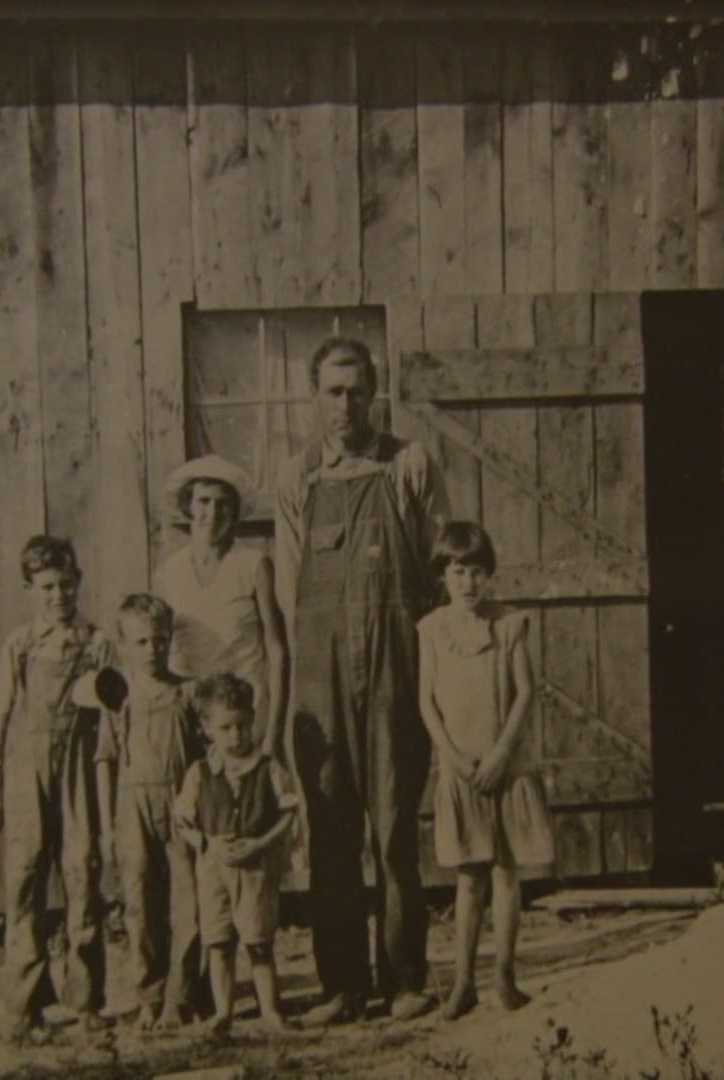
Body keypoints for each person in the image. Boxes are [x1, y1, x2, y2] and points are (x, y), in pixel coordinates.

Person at [274, 337, 446, 1025]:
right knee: (330, 828)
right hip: (321, 674)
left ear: (373, 393)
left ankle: (406, 978)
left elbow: (439, 569)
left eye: (355, 390)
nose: (343, 405)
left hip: (393, 670)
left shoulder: (408, 463)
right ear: (313, 397)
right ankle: (340, 985)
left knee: (396, 823)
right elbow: (290, 597)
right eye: (331, 392)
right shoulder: (297, 478)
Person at [415, 522, 554, 1020]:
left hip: (505, 768)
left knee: (505, 874)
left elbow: (525, 693)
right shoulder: (431, 630)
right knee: (468, 879)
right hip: (461, 771)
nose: (468, 582)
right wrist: (452, 757)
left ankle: (505, 978)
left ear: (490, 575)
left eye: (477, 572)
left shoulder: (510, 624)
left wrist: (499, 756)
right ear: (443, 577)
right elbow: (425, 701)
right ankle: (462, 984)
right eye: (457, 572)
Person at [0, 536, 115, 1037]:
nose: (58, 595)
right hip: (26, 774)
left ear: (78, 582)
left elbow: (110, 715)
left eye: (66, 585)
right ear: (29, 589)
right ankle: (26, 1005)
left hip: (79, 770)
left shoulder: (96, 642)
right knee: (24, 881)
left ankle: (87, 1002)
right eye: (46, 587)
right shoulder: (20, 645)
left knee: (83, 876)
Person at [91, 595, 203, 1029]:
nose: (152, 650)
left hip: (180, 806)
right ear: (124, 645)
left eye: (159, 640)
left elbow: (205, 759)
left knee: (187, 901)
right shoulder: (118, 700)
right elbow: (106, 760)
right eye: (141, 642)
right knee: (139, 901)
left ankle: (183, 996)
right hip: (132, 807)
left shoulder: (187, 692)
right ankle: (150, 995)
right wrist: (106, 826)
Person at [173, 674, 300, 1036]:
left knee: (258, 942)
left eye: (242, 725)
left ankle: (271, 1011)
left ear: (252, 721)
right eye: (225, 727)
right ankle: (222, 1013)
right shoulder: (199, 773)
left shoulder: (268, 768)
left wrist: (261, 844)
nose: (236, 735)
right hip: (213, 870)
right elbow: (182, 820)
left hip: (255, 869)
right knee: (219, 942)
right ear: (207, 729)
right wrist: (207, 843)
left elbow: (289, 812)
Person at [155, 455, 291, 759]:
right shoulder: (169, 573)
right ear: (188, 505)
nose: (212, 512)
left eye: (223, 503)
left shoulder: (253, 565)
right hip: (192, 716)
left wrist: (273, 735)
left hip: (244, 717)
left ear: (235, 512)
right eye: (203, 501)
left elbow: (277, 650)